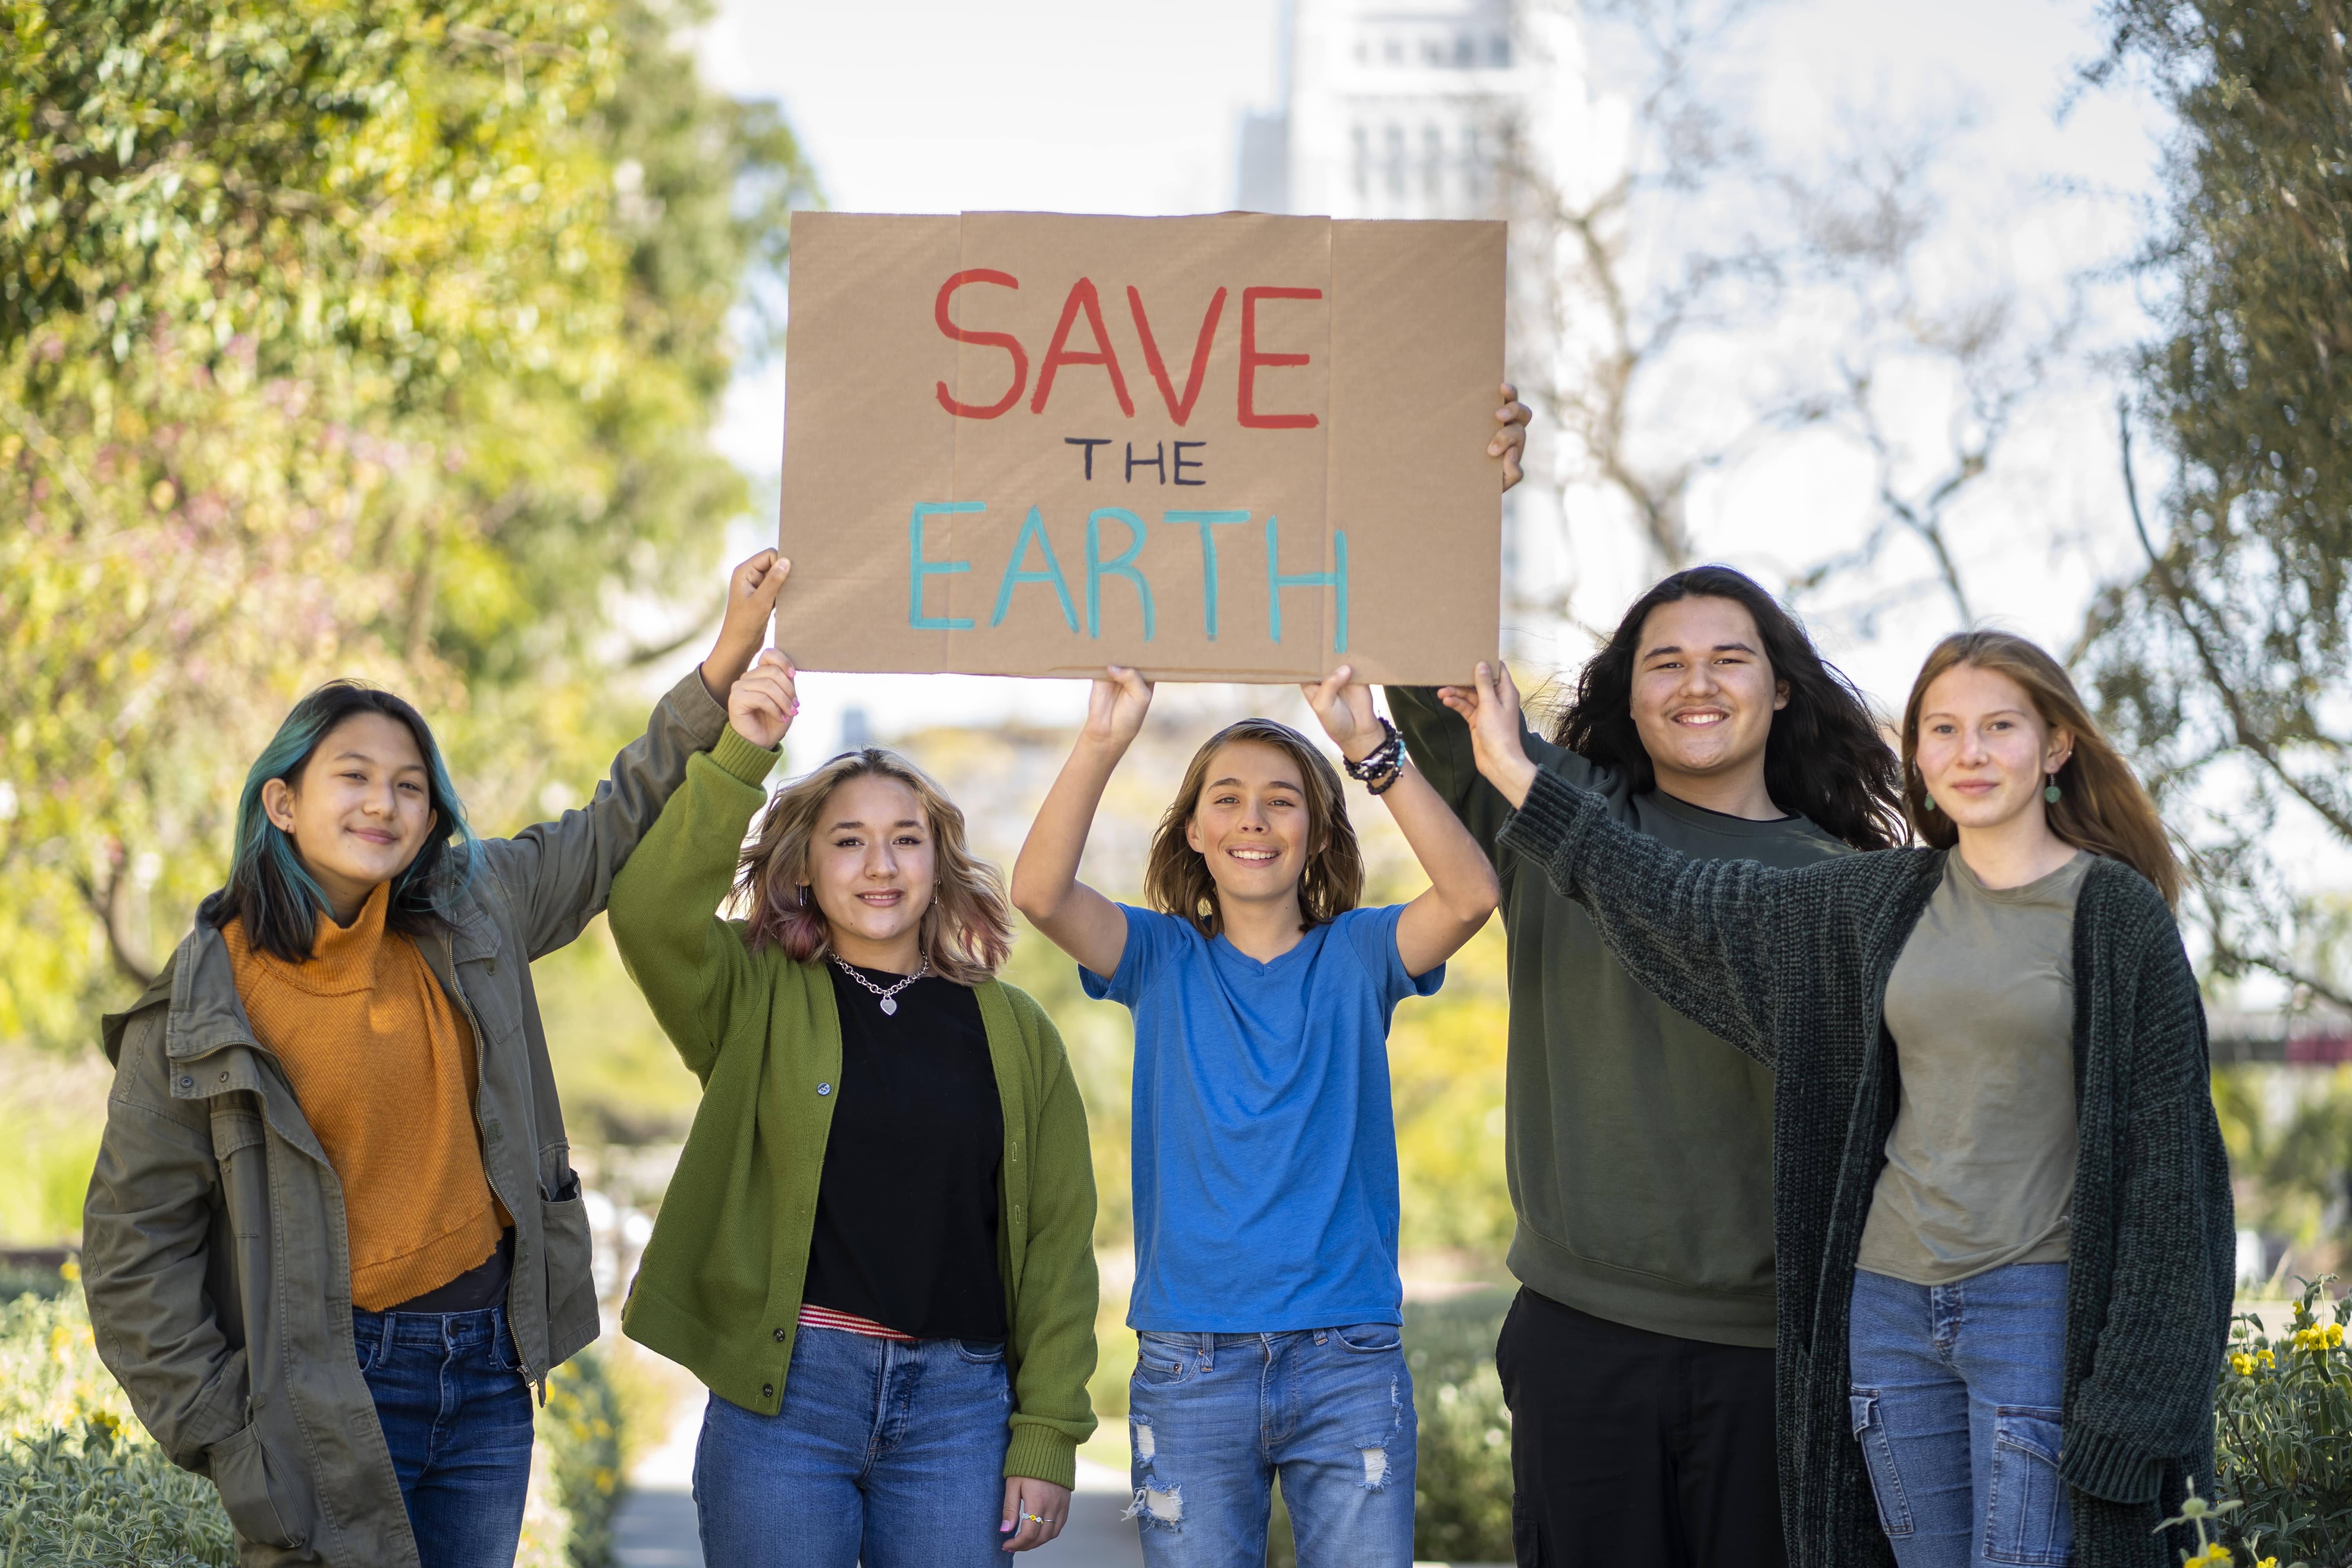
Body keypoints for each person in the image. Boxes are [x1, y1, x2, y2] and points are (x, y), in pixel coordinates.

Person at [1441, 631, 2234, 1568]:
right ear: (1920, 759)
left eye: (1999, 726)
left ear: (2055, 745)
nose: (1969, 752)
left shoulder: (2116, 916)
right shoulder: (1874, 902)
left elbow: (2176, 1183)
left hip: (2036, 1306)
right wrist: (1511, 767)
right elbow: (1679, 901)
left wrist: (2141, 1405)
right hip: (1888, 1312)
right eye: (1943, 729)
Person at [82, 550, 791, 1568]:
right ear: (281, 804)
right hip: (330, 1393)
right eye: (355, 778)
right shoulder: (205, 998)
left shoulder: (474, 909)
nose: (385, 804)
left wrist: (726, 660)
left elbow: (610, 826)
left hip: (488, 1373)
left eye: (411, 787)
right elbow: (131, 1248)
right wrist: (231, 1441)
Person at [1387, 563, 1907, 1568]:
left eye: (1729, 659)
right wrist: (1464, 484)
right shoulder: (1541, 806)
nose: (1697, 683)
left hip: (1779, 1359)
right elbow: (1421, 669)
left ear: (1782, 687)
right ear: (1629, 693)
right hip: (1580, 1337)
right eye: (1665, 662)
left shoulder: (1849, 889)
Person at [605, 646, 1099, 1568]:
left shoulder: (1015, 1027)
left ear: (938, 858)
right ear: (806, 863)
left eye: (906, 837)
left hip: (960, 1412)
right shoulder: (752, 994)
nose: (880, 864)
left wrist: (1047, 1431)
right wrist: (743, 750)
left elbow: (1057, 1246)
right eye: (848, 839)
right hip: (785, 1402)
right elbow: (647, 912)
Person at [1009, 661, 1501, 1568]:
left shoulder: (1358, 955)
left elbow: (1473, 894)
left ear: (1316, 833)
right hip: (1191, 1361)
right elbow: (1038, 893)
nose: (1253, 818)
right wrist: (1102, 742)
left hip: (1347, 1357)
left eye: (1282, 800)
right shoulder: (1158, 957)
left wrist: (1371, 749)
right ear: (1194, 829)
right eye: (1227, 798)